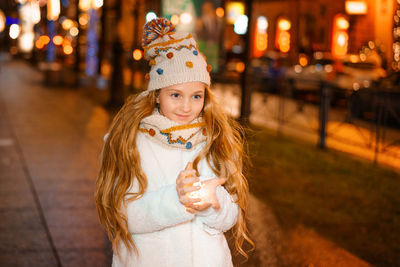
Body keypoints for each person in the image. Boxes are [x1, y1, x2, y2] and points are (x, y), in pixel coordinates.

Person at [95, 17, 253, 266]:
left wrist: (214, 203)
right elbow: (123, 213)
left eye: (196, 96)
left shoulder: (212, 140)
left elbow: (229, 217)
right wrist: (175, 200)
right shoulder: (132, 143)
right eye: (176, 95)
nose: (187, 106)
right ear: (157, 94)